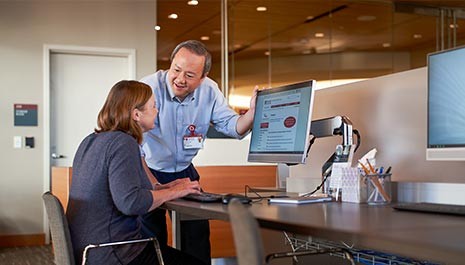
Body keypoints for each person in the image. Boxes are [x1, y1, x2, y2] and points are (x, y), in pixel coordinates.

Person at [139, 40, 257, 264]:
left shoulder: (209, 90)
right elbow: (134, 146)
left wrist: (251, 113)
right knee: (151, 241)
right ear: (170, 64)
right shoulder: (147, 88)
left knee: (197, 238)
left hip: (184, 172)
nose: (180, 79)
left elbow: (233, 127)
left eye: (190, 75)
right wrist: (154, 185)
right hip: (149, 170)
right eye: (176, 70)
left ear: (203, 76)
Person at [66, 80, 207, 265]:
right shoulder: (123, 143)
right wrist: (174, 192)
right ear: (136, 114)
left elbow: (123, 189)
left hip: (88, 251)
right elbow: (131, 202)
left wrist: (163, 187)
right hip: (113, 253)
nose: (158, 111)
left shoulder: (91, 140)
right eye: (154, 106)